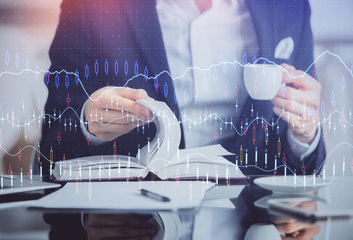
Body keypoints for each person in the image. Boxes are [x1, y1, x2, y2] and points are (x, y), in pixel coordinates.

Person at [40, 0, 326, 239]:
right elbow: (49, 152)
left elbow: (296, 159)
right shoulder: (91, 7)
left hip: (253, 229)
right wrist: (86, 126)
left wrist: (304, 136)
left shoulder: (290, 6)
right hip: (139, 227)